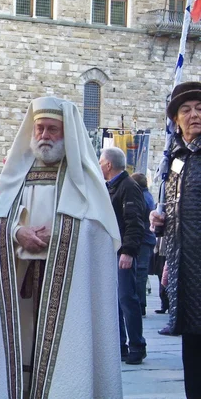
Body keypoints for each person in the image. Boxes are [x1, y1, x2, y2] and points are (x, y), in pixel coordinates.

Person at [0, 97, 123, 399]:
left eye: (52, 129)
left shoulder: (85, 181)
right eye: (40, 128)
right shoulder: (16, 176)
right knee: (18, 352)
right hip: (19, 285)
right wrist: (18, 233)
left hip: (68, 289)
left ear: (67, 133)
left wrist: (64, 238)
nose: (44, 135)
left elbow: (99, 233)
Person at [150, 81, 201, 398]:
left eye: (199, 108)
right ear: (176, 119)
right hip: (185, 271)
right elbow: (170, 210)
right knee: (192, 350)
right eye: (186, 109)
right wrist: (159, 222)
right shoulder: (173, 160)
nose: (194, 114)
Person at [99, 147, 147, 365]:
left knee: (127, 299)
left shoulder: (128, 186)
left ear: (109, 165)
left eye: (101, 162)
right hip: (112, 252)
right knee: (116, 301)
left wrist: (128, 252)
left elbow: (134, 221)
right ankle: (120, 346)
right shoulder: (112, 187)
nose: (99, 166)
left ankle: (137, 346)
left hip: (122, 253)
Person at [131, 172, 157, 317]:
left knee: (140, 273)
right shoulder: (147, 196)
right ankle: (141, 305)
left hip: (143, 240)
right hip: (147, 239)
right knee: (141, 273)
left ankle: (140, 306)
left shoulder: (141, 197)